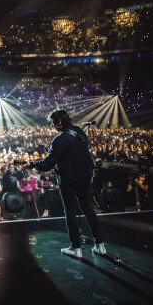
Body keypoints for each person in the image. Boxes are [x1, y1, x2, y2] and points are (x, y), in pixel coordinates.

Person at [27, 109, 105, 258]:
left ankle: (76, 248)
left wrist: (32, 165)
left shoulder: (59, 140)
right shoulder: (80, 132)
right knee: (88, 209)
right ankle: (100, 245)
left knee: (70, 212)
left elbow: (48, 164)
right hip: (84, 177)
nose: (53, 126)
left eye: (53, 123)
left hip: (69, 180)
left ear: (59, 122)